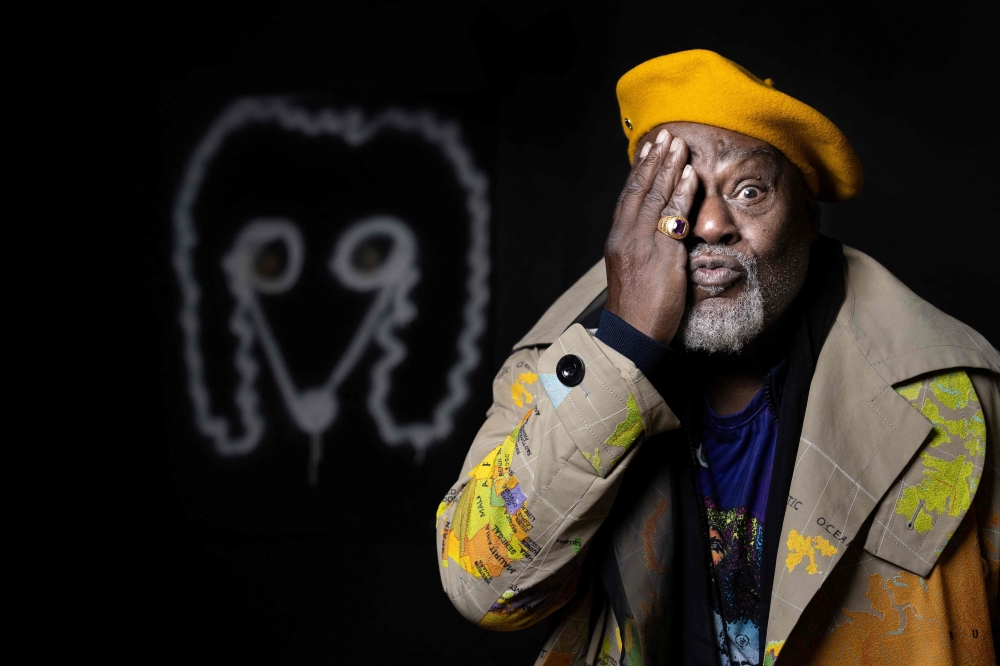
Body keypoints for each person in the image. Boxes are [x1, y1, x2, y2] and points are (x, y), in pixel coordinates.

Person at [435, 50, 999, 665]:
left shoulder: (958, 392)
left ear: (809, 218)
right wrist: (624, 348)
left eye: (749, 190)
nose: (705, 224)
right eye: (673, 194)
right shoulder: (557, 364)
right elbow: (482, 589)